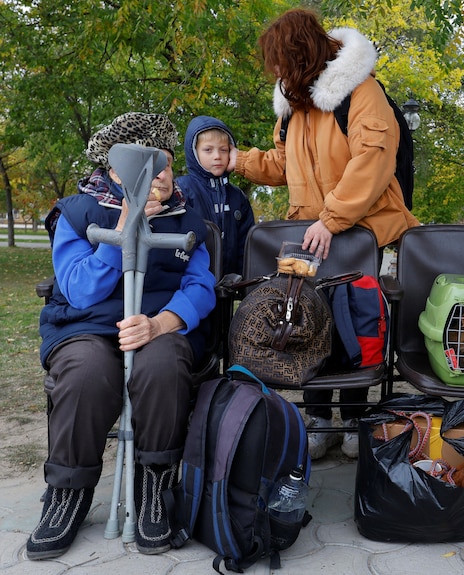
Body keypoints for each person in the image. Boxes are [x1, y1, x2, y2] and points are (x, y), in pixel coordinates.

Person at [227, 8, 420, 460]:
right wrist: (241, 161)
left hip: (358, 233)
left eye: (280, 60)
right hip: (312, 234)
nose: (275, 71)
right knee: (308, 321)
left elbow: (372, 162)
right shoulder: (293, 104)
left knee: (355, 322)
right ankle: (318, 419)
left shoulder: (361, 91)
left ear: (301, 53)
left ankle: (353, 417)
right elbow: (285, 165)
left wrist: (332, 218)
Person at [28, 112, 216, 559]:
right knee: (85, 372)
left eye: (168, 163)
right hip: (88, 326)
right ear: (115, 171)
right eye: (150, 165)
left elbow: (201, 286)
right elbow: (78, 288)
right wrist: (122, 230)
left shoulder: (189, 218)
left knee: (164, 364)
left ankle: (153, 485)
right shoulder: (77, 212)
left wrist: (160, 323)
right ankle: (67, 493)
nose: (164, 175)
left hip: (158, 324)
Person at [176, 115, 255, 276]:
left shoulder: (237, 197)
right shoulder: (181, 189)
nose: (217, 156)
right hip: (189, 280)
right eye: (208, 150)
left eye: (223, 150)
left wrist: (242, 279)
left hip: (229, 286)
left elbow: (246, 244)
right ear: (194, 152)